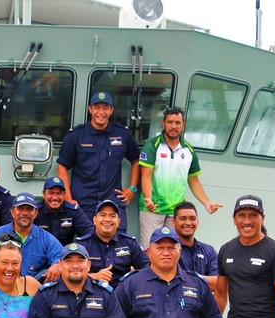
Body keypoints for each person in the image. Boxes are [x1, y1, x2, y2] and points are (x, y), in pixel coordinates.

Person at [138, 107, 222, 248]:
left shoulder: (189, 151)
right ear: (163, 123)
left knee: (174, 251)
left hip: (176, 212)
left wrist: (207, 203)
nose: (173, 126)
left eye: (177, 123)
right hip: (152, 209)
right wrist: (148, 198)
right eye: (170, 122)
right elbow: (146, 175)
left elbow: (193, 181)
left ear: (184, 124)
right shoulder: (151, 146)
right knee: (150, 250)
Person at [56, 91, 140, 229]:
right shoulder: (76, 136)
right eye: (97, 107)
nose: (101, 112)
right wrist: (68, 198)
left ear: (111, 110)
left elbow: (136, 161)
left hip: (112, 202)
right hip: (84, 202)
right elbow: (62, 166)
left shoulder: (122, 134)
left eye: (105, 108)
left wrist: (132, 188)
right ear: (90, 109)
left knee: (118, 242)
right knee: (85, 244)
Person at [0, 193, 63, 282]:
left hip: (34, 291)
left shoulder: (46, 239)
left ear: (36, 213)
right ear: (12, 212)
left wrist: (57, 265)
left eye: (29, 209)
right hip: (1, 288)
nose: (25, 213)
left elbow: (62, 258)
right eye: (20, 209)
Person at [77, 199, 148, 289]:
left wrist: (133, 277)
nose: (107, 219)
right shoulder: (83, 245)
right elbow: (70, 275)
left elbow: (146, 268)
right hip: (92, 296)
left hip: (123, 295)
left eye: (112, 216)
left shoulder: (129, 243)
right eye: (103, 215)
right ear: (94, 220)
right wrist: (93, 276)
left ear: (118, 222)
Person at [34, 176, 93, 246]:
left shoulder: (73, 211)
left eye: (59, 193)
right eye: (51, 193)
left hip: (66, 254)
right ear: (44, 194)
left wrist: (78, 247)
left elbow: (89, 232)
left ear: (64, 194)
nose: (55, 197)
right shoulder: (35, 211)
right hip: (41, 253)